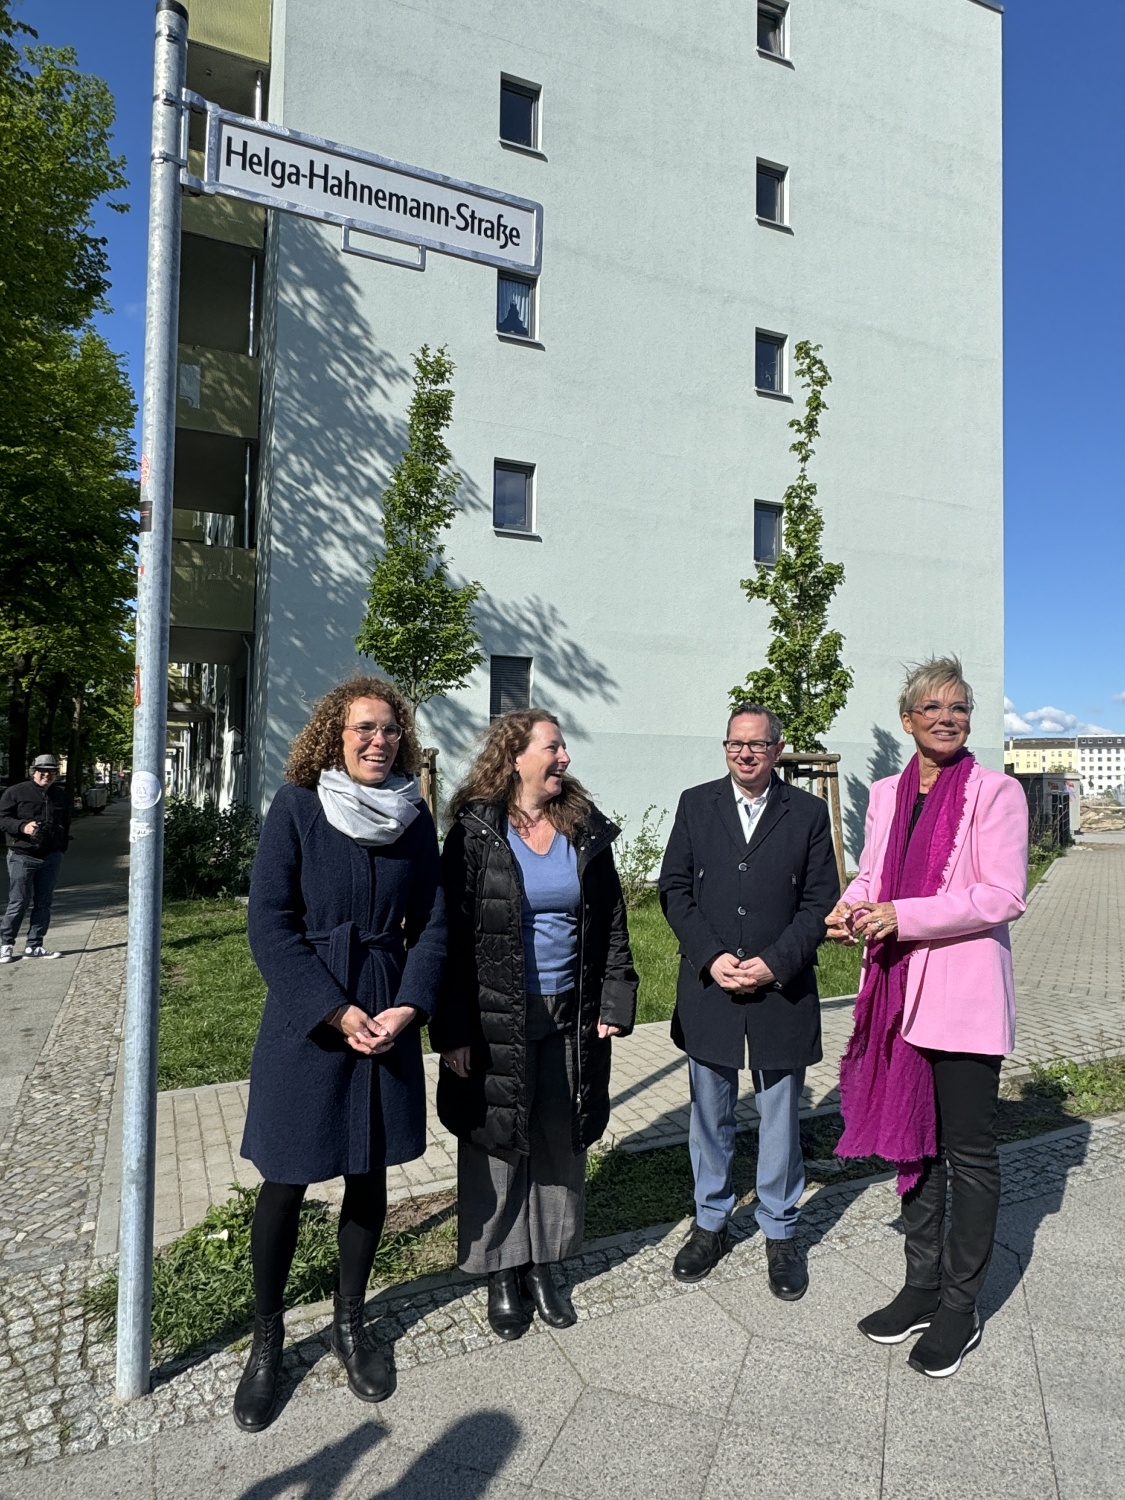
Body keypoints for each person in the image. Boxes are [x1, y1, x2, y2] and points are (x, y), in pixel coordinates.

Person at [233, 676, 446, 1432]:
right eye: (364, 728)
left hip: (387, 1008)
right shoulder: (297, 807)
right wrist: (333, 1007)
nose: (378, 740)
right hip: (309, 1016)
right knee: (286, 1179)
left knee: (368, 1170)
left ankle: (350, 1325)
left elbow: (434, 925)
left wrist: (408, 1004)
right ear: (335, 733)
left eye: (390, 730)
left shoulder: (413, 817)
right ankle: (267, 1343)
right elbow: (269, 923)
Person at [826, 656, 1028, 1378]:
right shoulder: (886, 793)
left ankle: (959, 1306)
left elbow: (1002, 894)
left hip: (963, 997)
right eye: (933, 707)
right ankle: (920, 1287)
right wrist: (849, 907)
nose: (948, 718)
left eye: (960, 707)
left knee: (967, 1153)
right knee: (915, 1142)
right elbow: (873, 874)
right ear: (907, 718)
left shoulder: (995, 792)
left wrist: (900, 916)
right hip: (896, 990)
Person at [432, 710, 637, 1340]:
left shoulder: (583, 828)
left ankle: (545, 1262)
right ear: (515, 756)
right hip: (496, 1013)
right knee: (497, 1139)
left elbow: (611, 919)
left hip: (571, 1013)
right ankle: (501, 1267)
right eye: (553, 746)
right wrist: (453, 1029)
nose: (565, 757)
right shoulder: (475, 832)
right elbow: (449, 936)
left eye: (564, 746)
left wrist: (614, 1000)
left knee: (559, 1137)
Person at [658, 702, 839, 1297]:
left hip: (780, 988)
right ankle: (711, 1221)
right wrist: (710, 956)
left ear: (777, 750)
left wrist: (775, 963)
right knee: (709, 1112)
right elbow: (674, 889)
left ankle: (780, 1228)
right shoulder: (695, 804)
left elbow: (820, 902)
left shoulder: (807, 813)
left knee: (780, 1115)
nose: (745, 753)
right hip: (710, 984)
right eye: (735, 743)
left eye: (757, 744)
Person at [0, 753, 72, 963]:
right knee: (19, 901)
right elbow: (2, 819)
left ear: (56, 774)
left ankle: (35, 945)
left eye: (51, 771)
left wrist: (61, 846)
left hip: (51, 856)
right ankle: (6, 945)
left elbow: (66, 820)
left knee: (44, 902)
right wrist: (22, 827)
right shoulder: (15, 792)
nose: (46, 775)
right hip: (22, 855)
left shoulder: (60, 795)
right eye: (42, 771)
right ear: (33, 771)